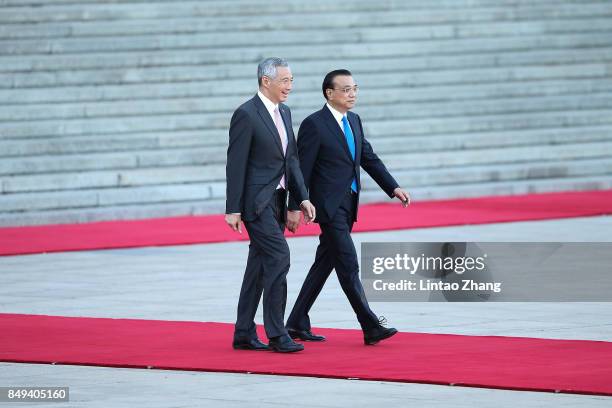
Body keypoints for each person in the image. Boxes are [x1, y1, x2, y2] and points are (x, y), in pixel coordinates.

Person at [285, 69, 410, 345]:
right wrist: (294, 206)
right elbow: (301, 169)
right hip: (327, 207)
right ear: (329, 93)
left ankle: (296, 321)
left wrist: (393, 187)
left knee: (324, 263)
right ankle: (370, 324)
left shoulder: (354, 120)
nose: (352, 94)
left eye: (354, 88)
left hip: (348, 204)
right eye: (345, 89)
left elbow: (368, 157)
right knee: (348, 263)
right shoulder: (314, 124)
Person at [225, 57, 316, 353]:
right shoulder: (246, 114)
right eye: (285, 80)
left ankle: (243, 332)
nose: (290, 86)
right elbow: (235, 164)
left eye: (291, 80)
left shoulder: (285, 112)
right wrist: (233, 208)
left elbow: (292, 160)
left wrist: (300, 199)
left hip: (277, 200)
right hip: (256, 203)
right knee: (279, 257)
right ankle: (277, 333)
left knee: (259, 266)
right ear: (266, 81)